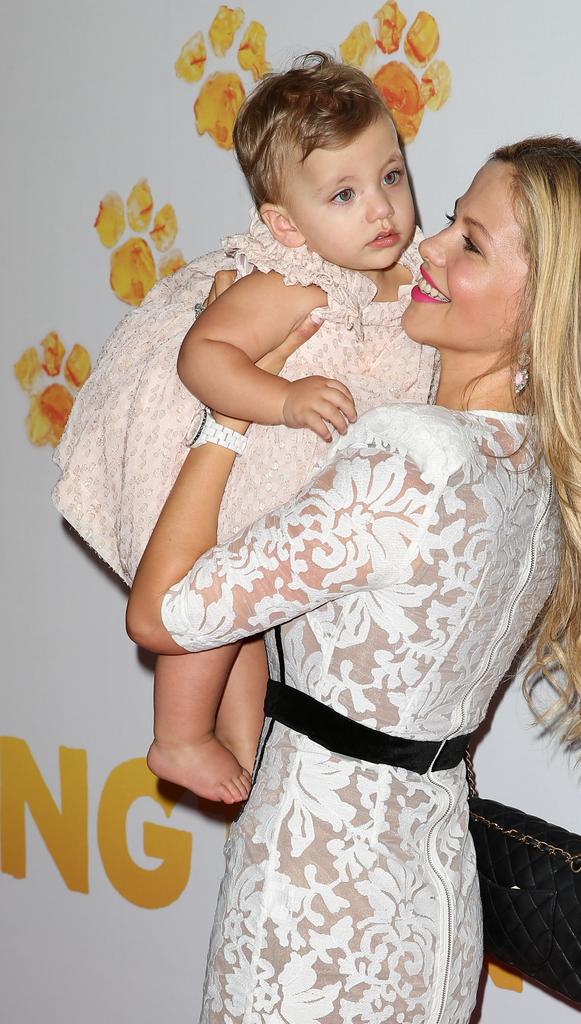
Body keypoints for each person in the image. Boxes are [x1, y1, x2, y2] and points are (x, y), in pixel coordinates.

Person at [126, 137, 581, 1024]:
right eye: (449, 224)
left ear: (545, 308)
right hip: (432, 903)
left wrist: (226, 416)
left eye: (470, 243)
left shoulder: (413, 455)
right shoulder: (544, 469)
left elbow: (168, 614)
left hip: (312, 903)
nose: (424, 245)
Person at [52, 54, 436, 803]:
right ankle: (177, 736)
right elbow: (205, 355)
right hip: (244, 455)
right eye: (344, 194)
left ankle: (235, 739)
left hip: (289, 477)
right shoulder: (291, 280)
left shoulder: (406, 269)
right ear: (285, 225)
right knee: (215, 603)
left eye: (391, 177)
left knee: (248, 626)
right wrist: (283, 400)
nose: (381, 210)